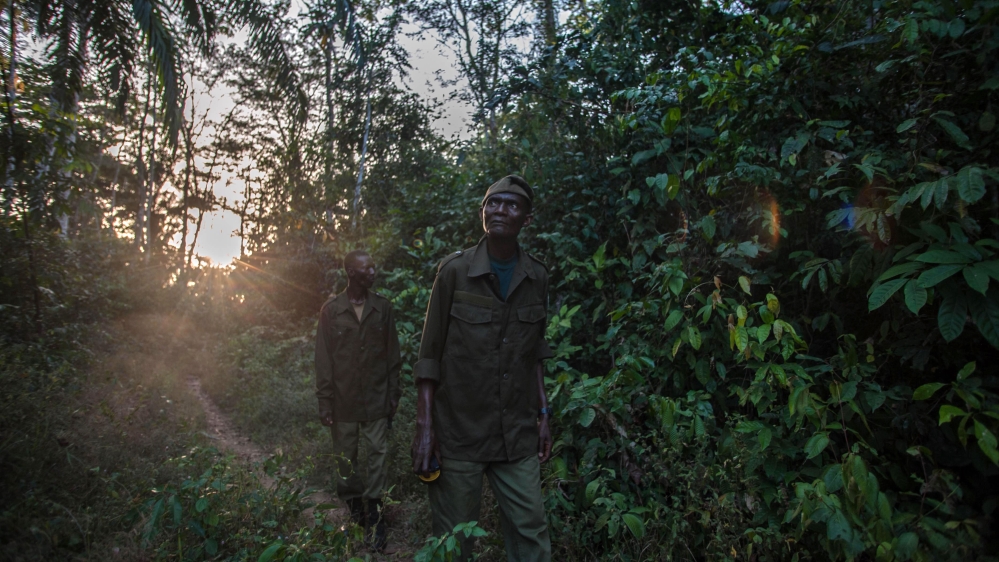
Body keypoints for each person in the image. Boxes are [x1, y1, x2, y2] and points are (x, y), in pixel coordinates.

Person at [411, 175, 554, 562]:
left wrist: (543, 414)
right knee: (455, 542)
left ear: (527, 218)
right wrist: (426, 429)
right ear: (482, 213)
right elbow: (429, 355)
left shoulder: (537, 276)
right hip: (459, 433)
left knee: (532, 534)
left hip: (517, 433)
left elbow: (534, 354)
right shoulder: (454, 272)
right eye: (493, 203)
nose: (500, 211)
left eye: (511, 205)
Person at [315, 249, 401, 551]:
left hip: (377, 397)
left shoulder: (383, 308)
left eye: (374, 268)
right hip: (343, 400)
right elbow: (323, 360)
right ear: (351, 273)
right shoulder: (331, 311)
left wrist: (394, 394)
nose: (373, 273)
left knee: (378, 452)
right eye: (367, 269)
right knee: (345, 458)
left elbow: (393, 356)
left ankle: (376, 516)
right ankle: (355, 512)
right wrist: (325, 401)